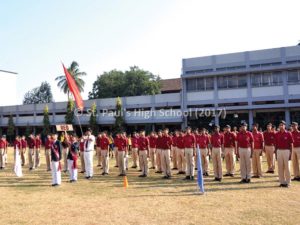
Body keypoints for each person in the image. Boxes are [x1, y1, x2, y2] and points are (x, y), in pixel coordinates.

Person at [275, 121, 293, 187]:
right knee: (280, 167)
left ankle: (288, 182)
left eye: (282, 125)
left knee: (287, 167)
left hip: (286, 151)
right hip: (279, 151)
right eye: (280, 125)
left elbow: (291, 144)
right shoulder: (276, 134)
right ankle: (282, 182)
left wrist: (291, 153)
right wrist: (276, 154)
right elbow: (276, 144)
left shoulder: (288, 133)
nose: (281, 126)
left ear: (285, 126)